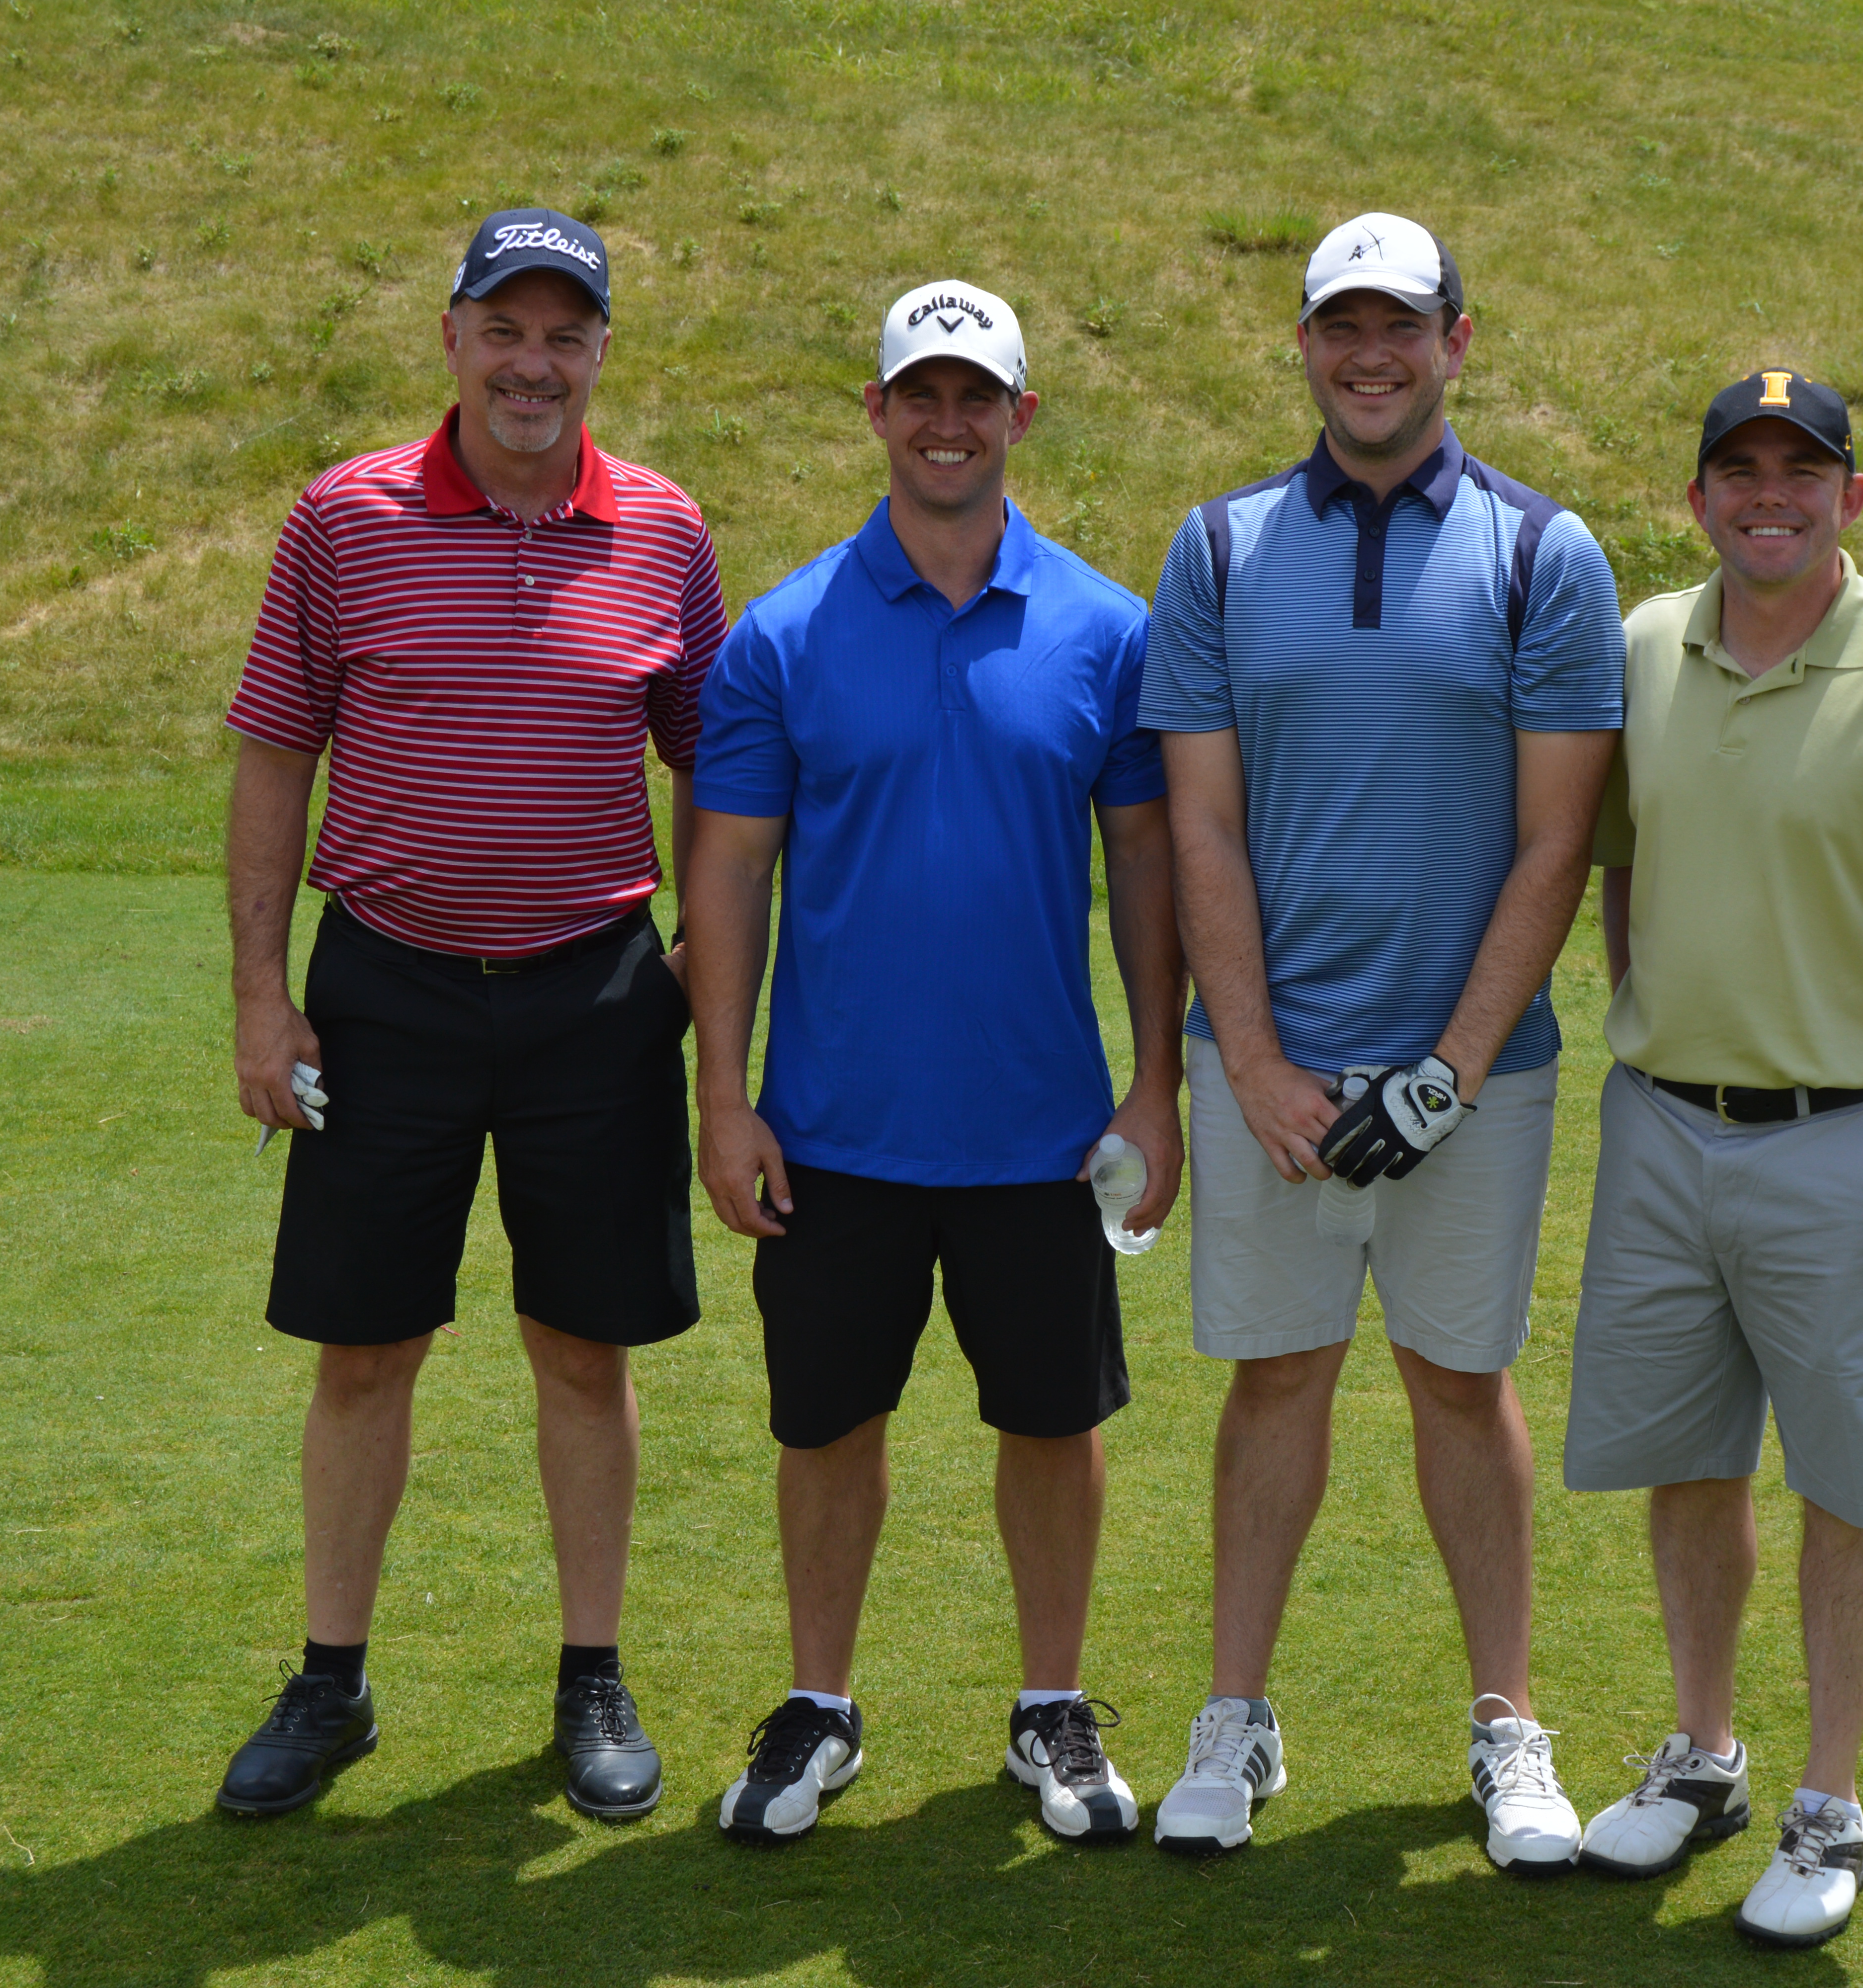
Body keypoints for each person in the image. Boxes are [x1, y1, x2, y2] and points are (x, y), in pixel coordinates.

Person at [214, 210, 726, 1822]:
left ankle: (592, 1679)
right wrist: (257, 995)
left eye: (565, 334)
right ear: (453, 341)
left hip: (595, 991)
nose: (533, 364)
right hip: (387, 994)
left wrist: (709, 950)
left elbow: (715, 759)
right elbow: (276, 752)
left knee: (584, 1349)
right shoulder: (345, 518)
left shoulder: (662, 530)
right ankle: (332, 1680)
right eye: (505, 330)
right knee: (366, 1350)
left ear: (599, 356)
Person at [1139, 213, 1625, 1873]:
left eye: (1400, 326)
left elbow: (1557, 839)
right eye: (1341, 325)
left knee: (1459, 1380)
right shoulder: (1213, 547)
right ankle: (1237, 1715)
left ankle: (1508, 1726)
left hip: (1473, 1073)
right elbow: (1201, 828)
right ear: (1305, 344)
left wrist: (1450, 1065)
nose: (1370, 354)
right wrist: (1260, 1064)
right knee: (1278, 1381)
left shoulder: (1544, 552)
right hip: (1265, 1059)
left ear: (1458, 341)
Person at [681, 280, 1184, 1849]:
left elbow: (1152, 881)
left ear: (1023, 415)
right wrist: (725, 1095)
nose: (949, 421)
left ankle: (1052, 1705)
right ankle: (820, 1707)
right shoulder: (783, 632)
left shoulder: (1107, 630)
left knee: (1054, 1423)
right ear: (879, 413)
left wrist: (1156, 1086)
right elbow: (728, 873)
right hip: (835, 1128)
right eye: (922, 394)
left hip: (1041, 1131)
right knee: (826, 1426)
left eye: (979, 395)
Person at [1564, 370, 1863, 1945]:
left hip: (1848, 1143)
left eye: (1803, 471)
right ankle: (1704, 1754)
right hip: (1662, 1132)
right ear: (1698, 497)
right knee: (1690, 1461)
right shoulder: (1643, 648)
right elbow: (1626, 875)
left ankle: (1826, 1801)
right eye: (1739, 470)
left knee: (1849, 1480)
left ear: (1852, 497)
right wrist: (1662, 1026)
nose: (1770, 495)